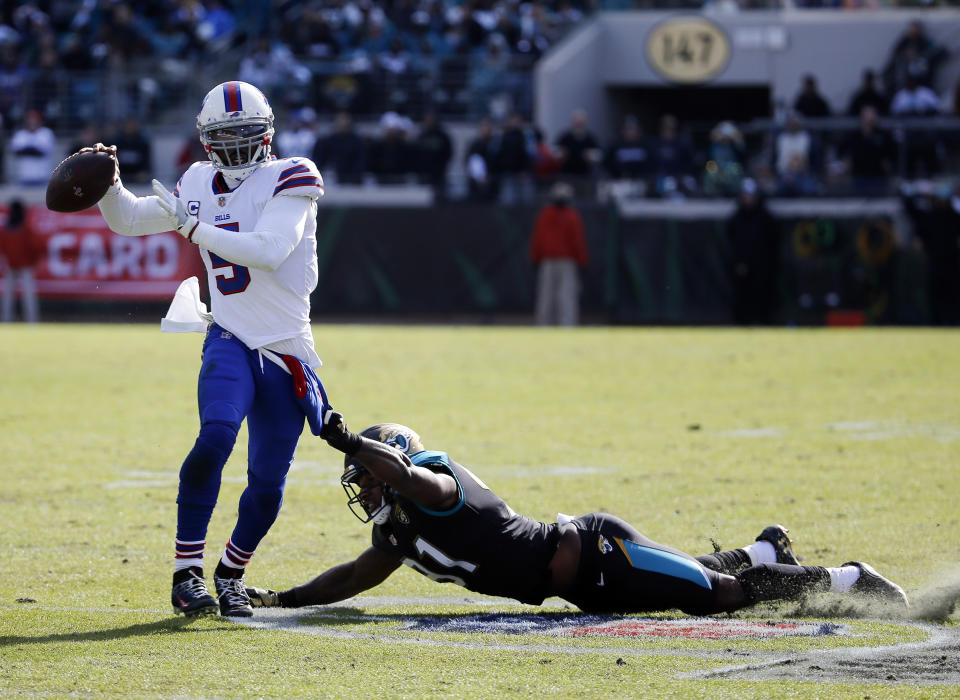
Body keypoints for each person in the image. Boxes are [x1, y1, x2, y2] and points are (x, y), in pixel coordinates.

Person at [245, 417, 910, 617]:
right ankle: (766, 549)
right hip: (576, 587)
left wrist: (347, 441)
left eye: (366, 474)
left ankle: (847, 578)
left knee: (714, 597)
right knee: (693, 577)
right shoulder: (393, 533)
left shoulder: (434, 486)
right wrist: (282, 599)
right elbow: (353, 579)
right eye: (358, 479)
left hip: (591, 549)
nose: (363, 487)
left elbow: (405, 475)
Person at [87, 80, 329, 618]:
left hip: (288, 350)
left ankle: (231, 572)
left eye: (247, 134)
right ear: (206, 140)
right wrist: (107, 184)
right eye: (227, 135)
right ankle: (186, 573)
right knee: (215, 436)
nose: (239, 145)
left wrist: (194, 227)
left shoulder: (293, 174)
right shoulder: (197, 180)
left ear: (267, 135)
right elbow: (128, 219)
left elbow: (268, 251)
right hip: (229, 335)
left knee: (267, 484)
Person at [530, 182, 588, 326]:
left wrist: (535, 257)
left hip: (561, 260)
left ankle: (560, 325)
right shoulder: (552, 214)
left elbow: (538, 238)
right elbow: (539, 237)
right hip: (556, 260)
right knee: (554, 296)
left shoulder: (555, 214)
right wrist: (582, 260)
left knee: (560, 296)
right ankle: (556, 325)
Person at [725, 179, 780, 325]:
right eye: (746, 195)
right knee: (741, 295)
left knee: (763, 294)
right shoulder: (735, 220)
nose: (748, 199)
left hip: (763, 267)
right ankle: (741, 323)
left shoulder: (766, 219)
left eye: (751, 195)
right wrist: (738, 262)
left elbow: (773, 244)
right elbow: (732, 245)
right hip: (742, 266)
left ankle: (764, 322)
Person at [0, 200, 42, 323]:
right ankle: (32, 321)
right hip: (24, 266)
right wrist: (33, 261)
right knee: (27, 296)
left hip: (15, 266)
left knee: (9, 296)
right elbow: (35, 246)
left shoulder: (7, 228)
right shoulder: (25, 227)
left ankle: (7, 320)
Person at [9, 109, 56, 186]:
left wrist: (26, 149)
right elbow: (15, 152)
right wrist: (32, 149)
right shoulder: (20, 134)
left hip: (43, 177)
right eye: (30, 119)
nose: (32, 121)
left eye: (35, 119)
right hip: (24, 177)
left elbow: (42, 152)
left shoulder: (46, 133)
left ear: (40, 120)